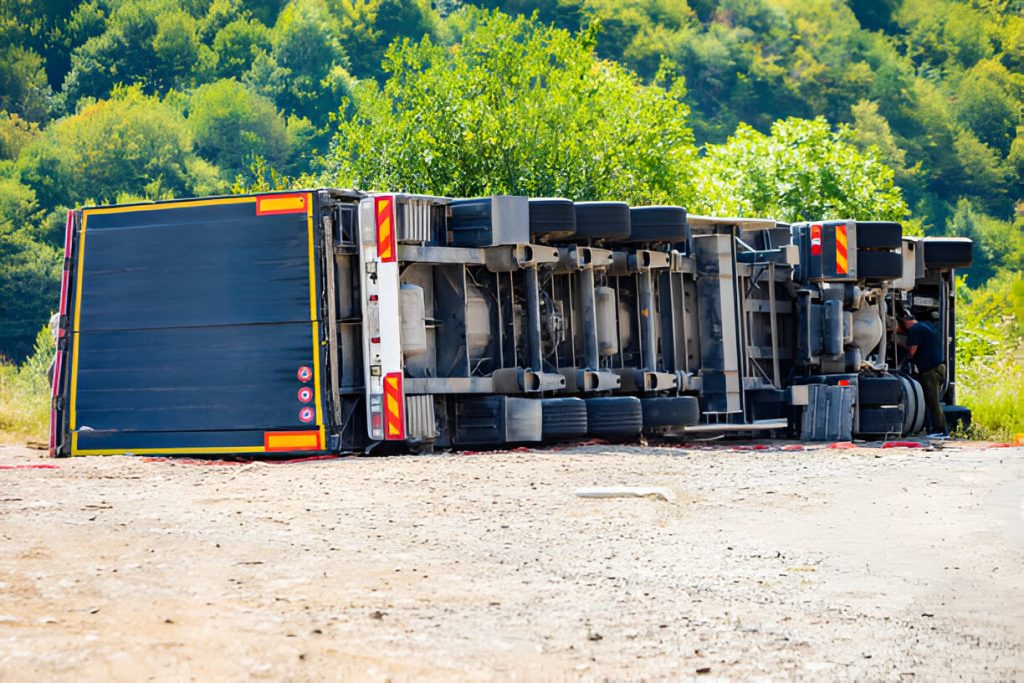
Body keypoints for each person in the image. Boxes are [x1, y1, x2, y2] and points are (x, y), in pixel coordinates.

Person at [899, 312, 947, 437]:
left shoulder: (914, 330)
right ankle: (935, 429)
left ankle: (940, 430)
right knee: (933, 400)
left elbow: (912, 352)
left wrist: (905, 356)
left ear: (906, 323)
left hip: (930, 371)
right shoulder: (925, 326)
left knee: (933, 401)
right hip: (939, 367)